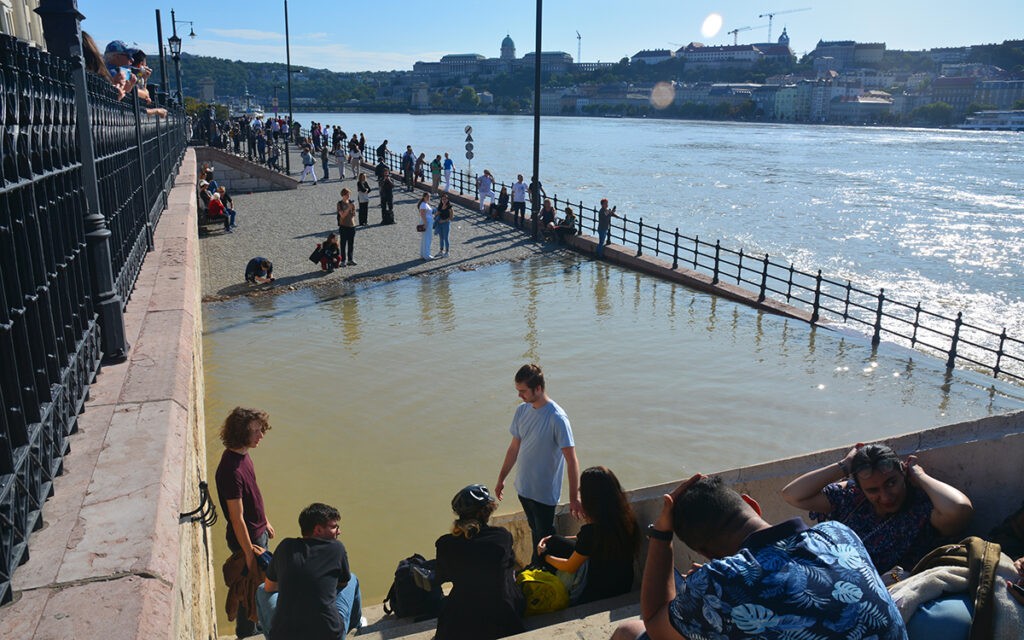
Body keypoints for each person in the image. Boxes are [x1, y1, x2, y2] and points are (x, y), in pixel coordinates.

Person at [611, 474, 908, 640]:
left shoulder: (719, 582)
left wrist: (661, 535)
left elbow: (654, 623)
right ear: (753, 504)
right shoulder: (839, 533)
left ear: (706, 553)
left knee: (628, 631)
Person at [780, 442, 974, 574]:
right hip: (827, 578)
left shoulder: (919, 511)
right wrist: (846, 465)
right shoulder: (850, 497)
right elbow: (793, 494)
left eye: (891, 483)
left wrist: (919, 475)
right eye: (873, 490)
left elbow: (960, 509)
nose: (886, 496)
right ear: (861, 488)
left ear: (902, 474)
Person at [495, 363, 581, 564]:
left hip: (544, 495)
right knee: (536, 533)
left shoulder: (557, 418)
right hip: (524, 489)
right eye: (518, 391)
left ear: (539, 389)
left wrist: (574, 497)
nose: (519, 396)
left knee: (545, 540)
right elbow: (514, 448)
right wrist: (501, 478)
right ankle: (538, 569)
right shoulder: (521, 412)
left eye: (523, 391)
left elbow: (571, 459)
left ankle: (545, 574)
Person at [257, 502, 365, 639]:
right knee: (352, 578)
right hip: (329, 636)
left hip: (284, 636)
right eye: (334, 527)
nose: (339, 531)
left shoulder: (285, 546)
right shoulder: (336, 548)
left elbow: (269, 587)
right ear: (318, 530)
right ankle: (356, 624)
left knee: (261, 589)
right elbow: (342, 584)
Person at [434, 484, 525, 640]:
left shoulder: (445, 544)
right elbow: (510, 566)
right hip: (503, 618)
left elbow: (441, 577)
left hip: (460, 623)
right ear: (486, 512)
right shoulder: (502, 537)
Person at [215, 407, 276, 639]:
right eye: (256, 431)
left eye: (261, 430)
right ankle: (246, 632)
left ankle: (255, 625)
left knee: (257, 584)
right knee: (247, 587)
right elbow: (236, 517)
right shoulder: (230, 470)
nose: (261, 436)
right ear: (241, 433)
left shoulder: (242, 456)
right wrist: (249, 553)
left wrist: (265, 519)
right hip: (247, 540)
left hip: (257, 532)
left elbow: (254, 494)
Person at [537, 466, 638, 605]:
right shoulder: (626, 520)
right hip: (623, 586)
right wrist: (564, 539)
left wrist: (544, 555)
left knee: (552, 547)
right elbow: (595, 543)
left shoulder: (592, 532)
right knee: (556, 540)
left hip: (597, 593)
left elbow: (569, 566)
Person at [336, 188, 357, 266]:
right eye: (347, 194)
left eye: (349, 194)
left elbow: (353, 215)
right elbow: (342, 215)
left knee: (351, 244)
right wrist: (349, 208)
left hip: (352, 226)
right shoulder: (340, 204)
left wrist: (353, 208)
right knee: (343, 244)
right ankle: (343, 260)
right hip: (343, 226)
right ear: (343, 195)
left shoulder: (351, 203)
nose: (348, 196)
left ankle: (350, 259)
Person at [435, 193, 453, 258]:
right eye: (443, 199)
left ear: (448, 199)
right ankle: (441, 251)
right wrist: (439, 211)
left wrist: (444, 221)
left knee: (446, 238)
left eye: (445, 199)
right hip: (440, 223)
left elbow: (451, 218)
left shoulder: (450, 207)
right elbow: (436, 214)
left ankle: (447, 252)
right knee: (441, 238)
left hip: (446, 223)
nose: (444, 200)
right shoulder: (439, 206)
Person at [418, 192, 435, 260]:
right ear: (424, 197)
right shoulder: (423, 205)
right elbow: (422, 215)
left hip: (427, 222)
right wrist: (425, 224)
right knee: (427, 238)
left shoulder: (425, 204)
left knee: (425, 238)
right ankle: (427, 255)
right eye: (427, 197)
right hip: (427, 222)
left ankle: (423, 254)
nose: (428, 198)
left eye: (429, 197)